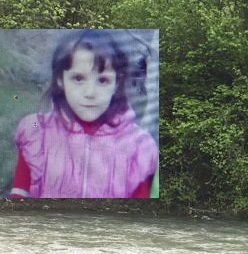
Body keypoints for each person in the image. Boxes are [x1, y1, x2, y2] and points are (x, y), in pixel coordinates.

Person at [10, 29, 157, 198]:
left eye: (103, 80)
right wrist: (36, 124)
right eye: (78, 79)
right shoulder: (37, 131)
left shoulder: (137, 145)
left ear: (116, 83)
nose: (90, 93)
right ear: (60, 79)